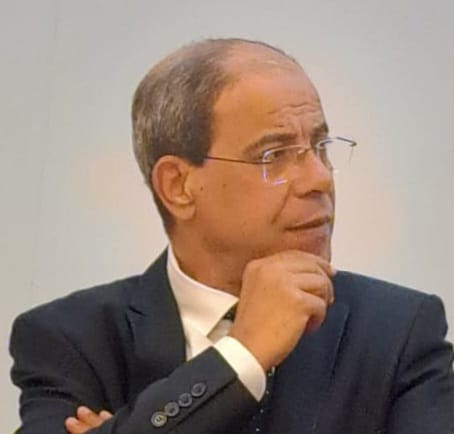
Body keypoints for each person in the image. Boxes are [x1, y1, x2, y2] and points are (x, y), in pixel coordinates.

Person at [9, 38, 454, 434]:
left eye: (320, 147)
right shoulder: (71, 339)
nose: (319, 178)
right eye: (274, 154)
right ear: (178, 186)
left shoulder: (399, 332)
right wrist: (242, 355)